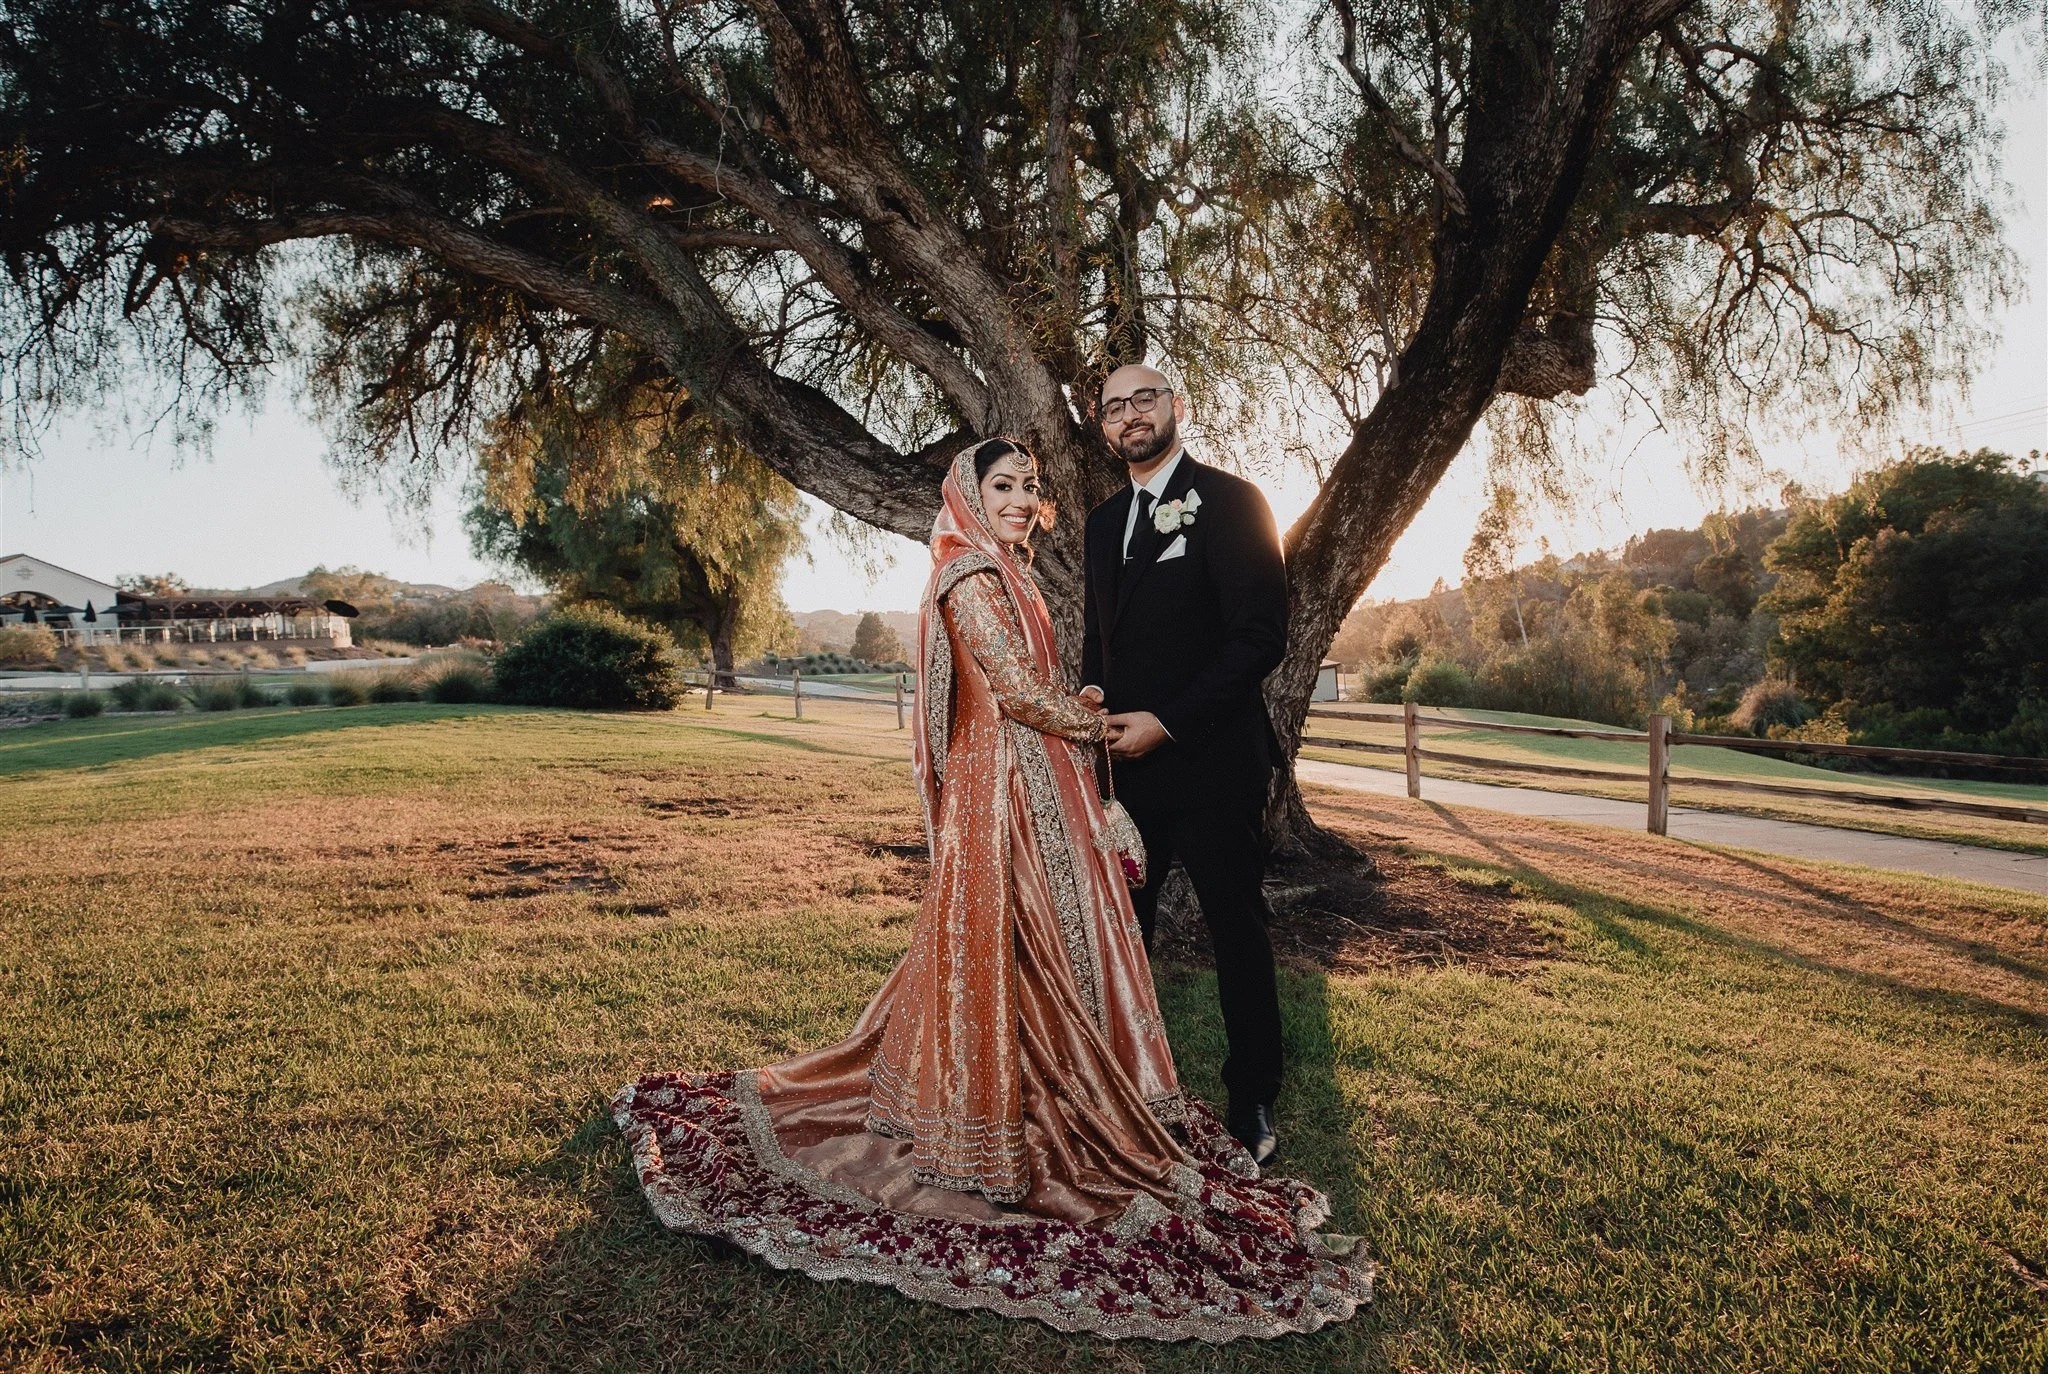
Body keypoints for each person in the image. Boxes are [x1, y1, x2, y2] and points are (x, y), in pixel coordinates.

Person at [615, 439, 1369, 1341]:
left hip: (1034, 774)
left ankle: (1036, 1086)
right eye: (1003, 486)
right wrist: (1092, 722)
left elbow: (1032, 679)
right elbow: (1012, 693)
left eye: (1030, 487)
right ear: (970, 495)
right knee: (1019, 940)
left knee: (1033, 945)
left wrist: (1081, 698)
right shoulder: (970, 574)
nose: (1021, 499)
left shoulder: (1009, 571)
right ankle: (1001, 1107)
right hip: (1001, 788)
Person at [1084, 363, 1289, 1167]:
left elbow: (1259, 638)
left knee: (1235, 928)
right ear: (1104, 427)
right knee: (1121, 933)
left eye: (1144, 398)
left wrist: (1166, 724)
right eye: (1114, 407)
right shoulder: (1103, 523)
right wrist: (1092, 702)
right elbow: (1100, 641)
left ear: (1176, 406)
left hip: (1213, 763)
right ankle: (1122, 1083)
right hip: (1126, 777)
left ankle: (1253, 1094)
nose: (1130, 415)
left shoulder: (1234, 502)